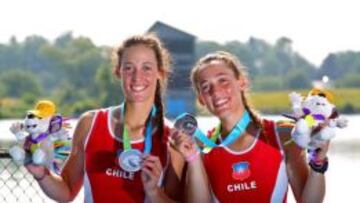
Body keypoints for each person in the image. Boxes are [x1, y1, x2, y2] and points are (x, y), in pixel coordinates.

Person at [26, 34, 185, 203]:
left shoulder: (172, 141)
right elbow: (66, 192)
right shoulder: (90, 123)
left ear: (160, 73)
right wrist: (42, 174)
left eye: (146, 67)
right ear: (118, 72)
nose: (137, 77)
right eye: (129, 68)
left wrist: (154, 192)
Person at [172, 51, 329, 203]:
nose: (216, 91)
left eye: (223, 80)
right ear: (201, 99)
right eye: (206, 87)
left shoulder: (283, 135)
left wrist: (318, 162)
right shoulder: (201, 147)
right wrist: (193, 159)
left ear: (242, 82)